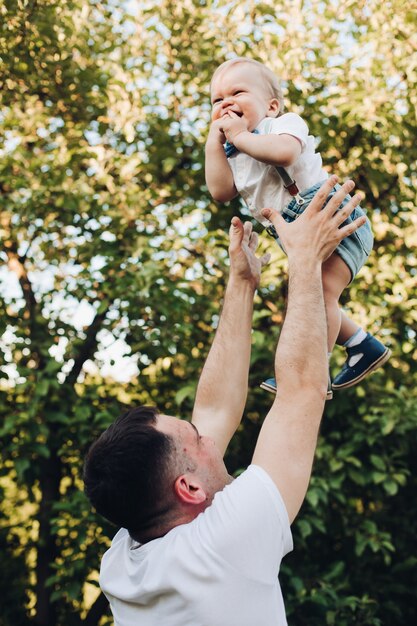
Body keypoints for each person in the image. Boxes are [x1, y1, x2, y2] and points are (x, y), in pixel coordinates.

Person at [85, 179, 367, 626]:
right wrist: (306, 259)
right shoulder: (227, 542)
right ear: (189, 489)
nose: (211, 439)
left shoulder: (124, 559)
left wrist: (242, 283)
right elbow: (300, 391)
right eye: (198, 440)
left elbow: (214, 410)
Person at [205, 57, 390, 396]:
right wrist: (213, 144)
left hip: (332, 218)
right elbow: (220, 191)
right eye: (217, 100)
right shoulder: (234, 150)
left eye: (237, 92)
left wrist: (239, 135)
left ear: (271, 105)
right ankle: (363, 345)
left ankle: (313, 366)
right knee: (313, 293)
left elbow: (284, 153)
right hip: (297, 231)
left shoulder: (282, 126)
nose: (225, 103)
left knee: (318, 295)